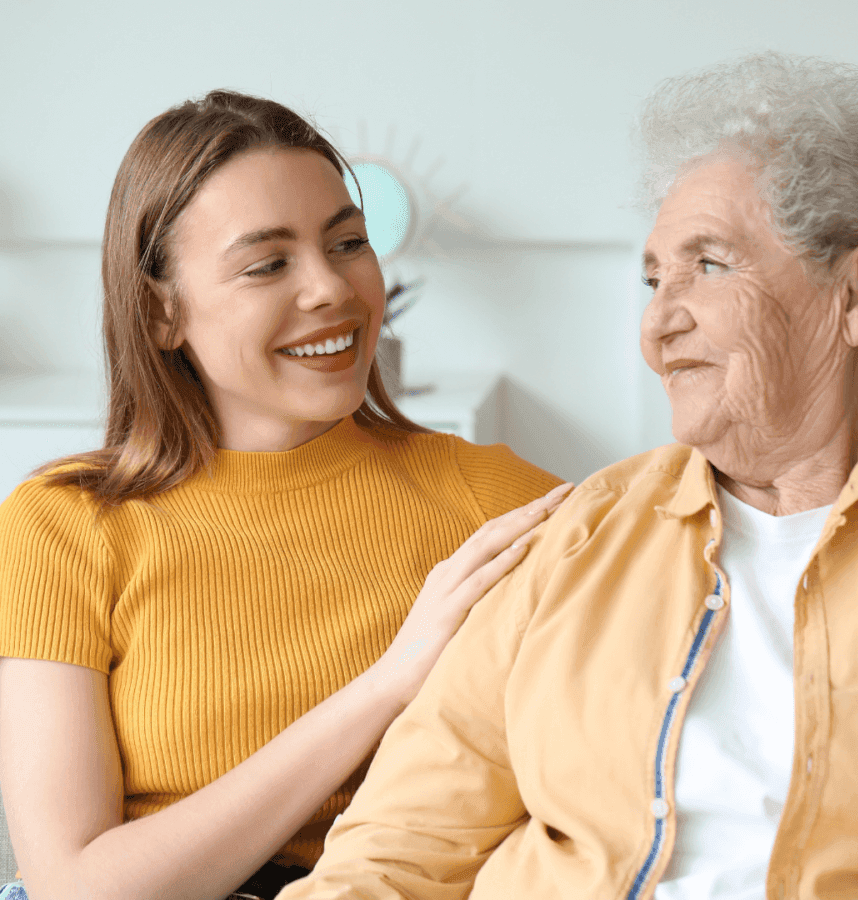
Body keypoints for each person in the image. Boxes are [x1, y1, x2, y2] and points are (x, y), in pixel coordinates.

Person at [272, 53, 858, 900]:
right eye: (654, 278)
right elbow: (396, 849)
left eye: (711, 265)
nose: (659, 324)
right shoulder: (579, 536)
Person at [0, 91, 573, 900]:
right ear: (163, 312)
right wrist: (388, 684)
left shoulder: (489, 498)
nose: (331, 289)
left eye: (348, 243)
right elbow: (77, 886)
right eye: (269, 263)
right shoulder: (62, 525)